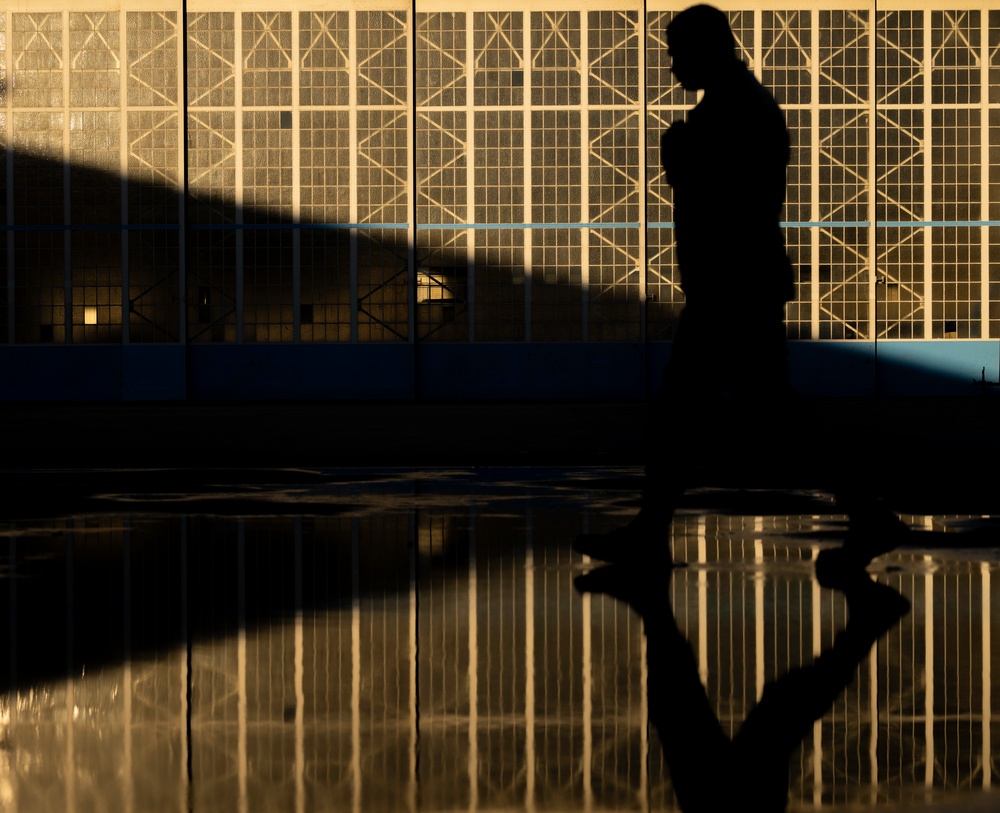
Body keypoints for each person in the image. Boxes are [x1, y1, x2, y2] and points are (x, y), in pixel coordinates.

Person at [575, 4, 905, 573]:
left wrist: (680, 161)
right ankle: (866, 512)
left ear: (707, 49)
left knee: (692, 414)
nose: (673, 67)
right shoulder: (739, 106)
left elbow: (735, 201)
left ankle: (652, 536)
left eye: (679, 54)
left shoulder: (734, 112)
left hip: (732, 287)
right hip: (737, 283)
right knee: (761, 410)